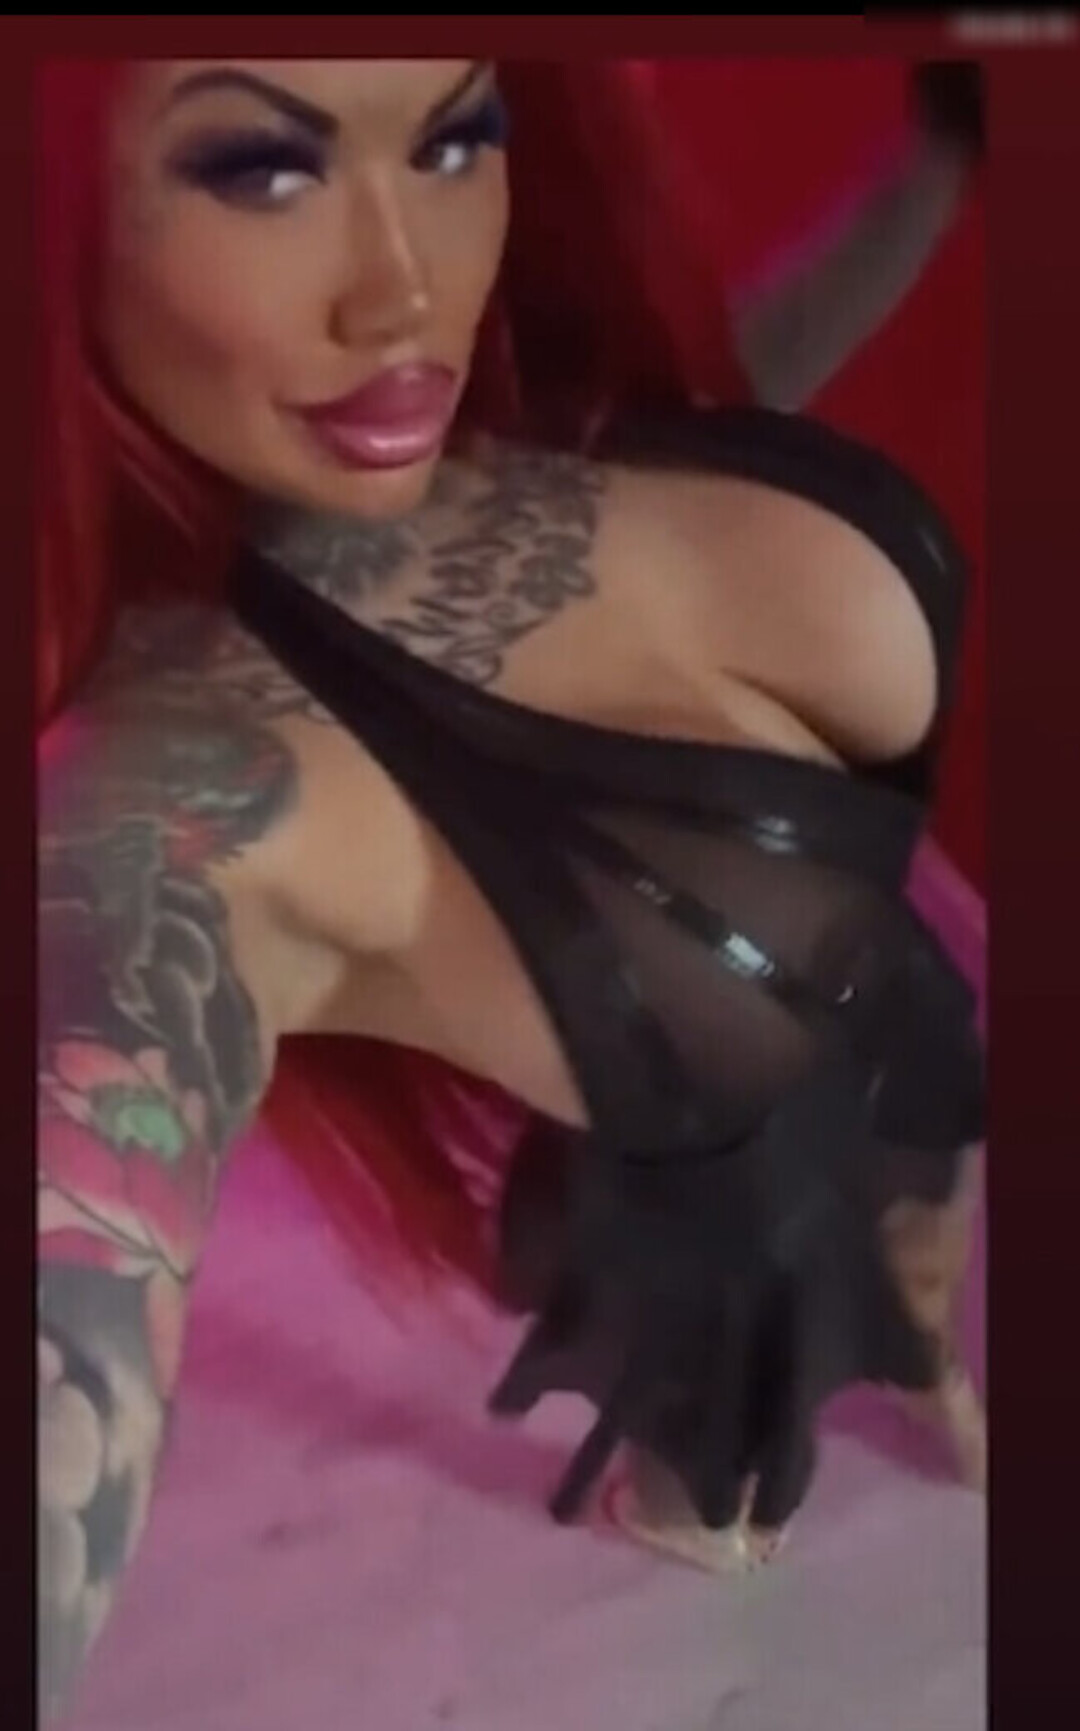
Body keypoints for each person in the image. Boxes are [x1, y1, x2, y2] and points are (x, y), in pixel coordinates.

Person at [37, 57, 985, 1725]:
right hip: (729, 1195)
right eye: (262, 170)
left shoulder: (530, 430)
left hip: (911, 1052)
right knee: (735, 1488)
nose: (408, 289)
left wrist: (930, 180)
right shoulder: (179, 801)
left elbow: (742, 400)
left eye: (456, 136)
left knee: (916, 1281)